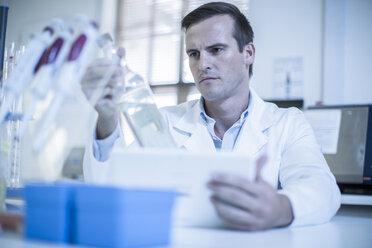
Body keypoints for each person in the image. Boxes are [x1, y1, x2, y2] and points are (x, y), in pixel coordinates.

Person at [82, 2, 341, 231]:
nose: (202, 64)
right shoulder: (165, 122)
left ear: (248, 53)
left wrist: (280, 207)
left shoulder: (287, 123)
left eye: (216, 50)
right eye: (193, 53)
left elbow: (322, 189)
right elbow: (108, 186)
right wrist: (106, 117)